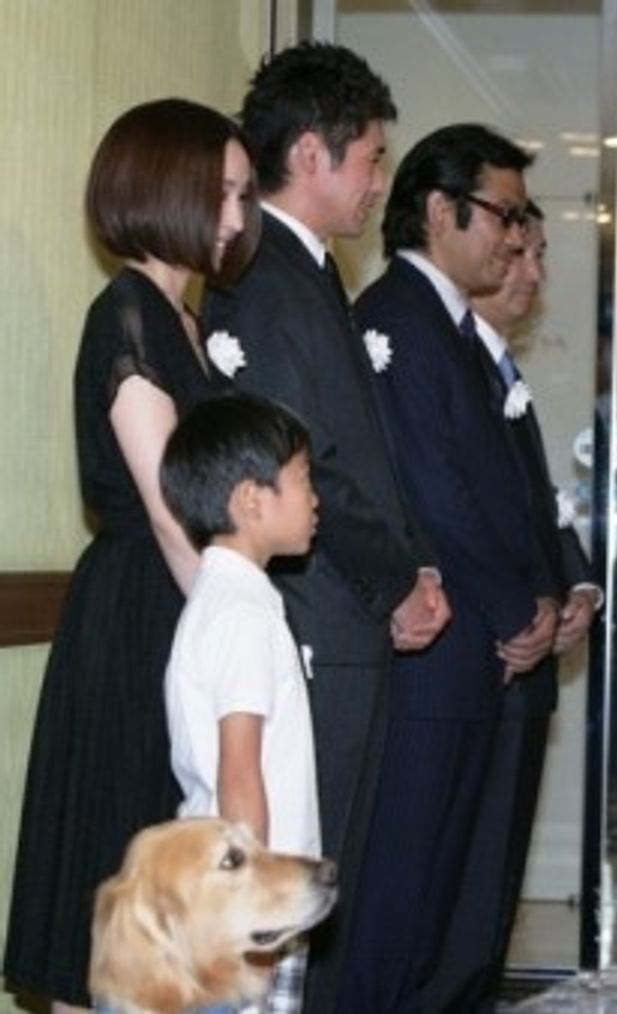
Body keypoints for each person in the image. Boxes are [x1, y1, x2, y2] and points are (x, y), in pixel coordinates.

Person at [201, 42, 451, 1012]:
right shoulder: (261, 281)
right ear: (312, 154)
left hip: (346, 619)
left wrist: (414, 565)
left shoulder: (308, 277)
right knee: (291, 884)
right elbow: (300, 463)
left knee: (324, 873)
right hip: (315, 621)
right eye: (373, 157)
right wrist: (394, 580)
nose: (377, 182)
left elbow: (363, 460)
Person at [3, 97, 256, 1013]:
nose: (235, 217)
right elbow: (169, 513)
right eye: (220, 193)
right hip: (144, 618)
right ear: (164, 190)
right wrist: (230, 647)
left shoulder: (185, 321)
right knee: (118, 899)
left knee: (172, 912)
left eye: (241, 195)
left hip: (178, 610)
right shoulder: (128, 315)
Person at [339, 123, 557, 1011]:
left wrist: (542, 598)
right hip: (434, 662)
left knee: (450, 910)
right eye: (502, 214)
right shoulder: (396, 319)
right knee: (403, 906)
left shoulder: (457, 332)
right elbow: (433, 491)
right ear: (440, 210)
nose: (514, 237)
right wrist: (516, 609)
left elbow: (502, 493)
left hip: (476, 654)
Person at [420, 202, 600, 1011]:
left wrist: (579, 587)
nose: (529, 274)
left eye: (537, 257)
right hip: (476, 653)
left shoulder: (502, 373)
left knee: (489, 887)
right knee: (451, 889)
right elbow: (457, 511)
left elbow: (541, 507)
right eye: (516, 252)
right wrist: (515, 610)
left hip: (523, 659)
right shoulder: (440, 364)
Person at [160, 393, 321, 1013]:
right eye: (304, 480)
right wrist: (255, 901)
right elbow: (239, 769)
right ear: (251, 501)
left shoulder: (224, 601)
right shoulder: (242, 615)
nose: (314, 498)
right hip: (250, 902)